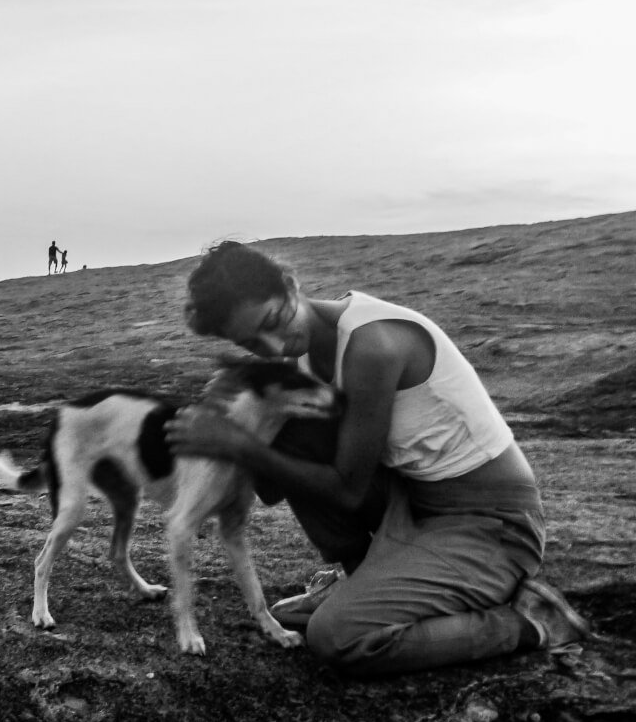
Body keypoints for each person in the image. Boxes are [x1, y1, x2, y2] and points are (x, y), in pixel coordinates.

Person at [165, 241, 591, 677]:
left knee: (338, 636)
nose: (273, 345)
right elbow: (274, 488)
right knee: (286, 417)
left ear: (291, 286)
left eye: (273, 321)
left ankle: (527, 622)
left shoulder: (374, 344)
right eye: (252, 342)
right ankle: (364, 578)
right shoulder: (302, 352)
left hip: (490, 525)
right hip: (413, 504)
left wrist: (235, 443)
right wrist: (238, 401)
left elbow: (346, 491)